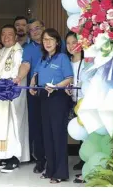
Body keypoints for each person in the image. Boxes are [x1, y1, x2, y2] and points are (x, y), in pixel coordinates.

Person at [0, 24, 30, 173]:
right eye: (3, 34)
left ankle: (14, 157)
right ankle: (3, 156)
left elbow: (18, 73)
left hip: (12, 96)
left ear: (15, 36)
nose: (6, 37)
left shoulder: (19, 51)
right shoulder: (0, 52)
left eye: (10, 34)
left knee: (13, 125)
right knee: (0, 127)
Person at [29, 28, 73, 184]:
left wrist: (56, 87)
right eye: (45, 40)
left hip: (58, 98)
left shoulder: (62, 58)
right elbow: (35, 74)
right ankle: (50, 170)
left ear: (57, 42)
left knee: (58, 135)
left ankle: (60, 172)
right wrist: (33, 84)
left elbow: (69, 78)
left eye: (50, 39)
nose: (47, 43)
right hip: (43, 98)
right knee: (47, 135)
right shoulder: (43, 59)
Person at [13, 19, 46, 173]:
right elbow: (25, 65)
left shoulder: (55, 42)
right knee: (36, 127)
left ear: (44, 28)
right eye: (32, 30)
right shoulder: (27, 48)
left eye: (38, 28)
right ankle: (40, 160)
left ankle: (54, 159)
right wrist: (19, 78)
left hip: (56, 92)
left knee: (52, 127)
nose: (35, 31)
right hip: (34, 92)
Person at [65, 31, 86, 183]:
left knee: (85, 131)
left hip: (84, 100)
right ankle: (81, 158)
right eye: (68, 43)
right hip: (69, 99)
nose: (71, 46)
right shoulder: (66, 60)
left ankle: (85, 159)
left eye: (74, 42)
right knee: (77, 130)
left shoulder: (88, 60)